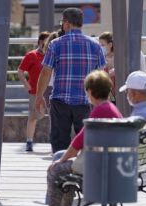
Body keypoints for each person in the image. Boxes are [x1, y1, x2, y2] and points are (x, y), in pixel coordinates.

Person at [32, 70, 122, 206]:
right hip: (110, 164)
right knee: (61, 159)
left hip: (97, 167)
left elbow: (78, 143)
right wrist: (62, 157)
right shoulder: (113, 110)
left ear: (90, 92)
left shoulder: (99, 111)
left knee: (55, 170)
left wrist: (60, 162)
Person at [35, 8, 106, 154]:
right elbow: (101, 76)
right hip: (86, 101)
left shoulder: (55, 44)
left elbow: (46, 72)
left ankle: (61, 172)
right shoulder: (95, 45)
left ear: (66, 24)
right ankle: (85, 173)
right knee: (87, 144)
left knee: (59, 142)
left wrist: (38, 96)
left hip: (60, 100)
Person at [18, 31, 50, 152]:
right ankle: (29, 141)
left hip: (51, 91)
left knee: (55, 117)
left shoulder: (52, 54)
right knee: (33, 116)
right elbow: (20, 71)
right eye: (48, 41)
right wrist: (27, 85)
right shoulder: (32, 55)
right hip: (35, 92)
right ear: (41, 42)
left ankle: (55, 142)